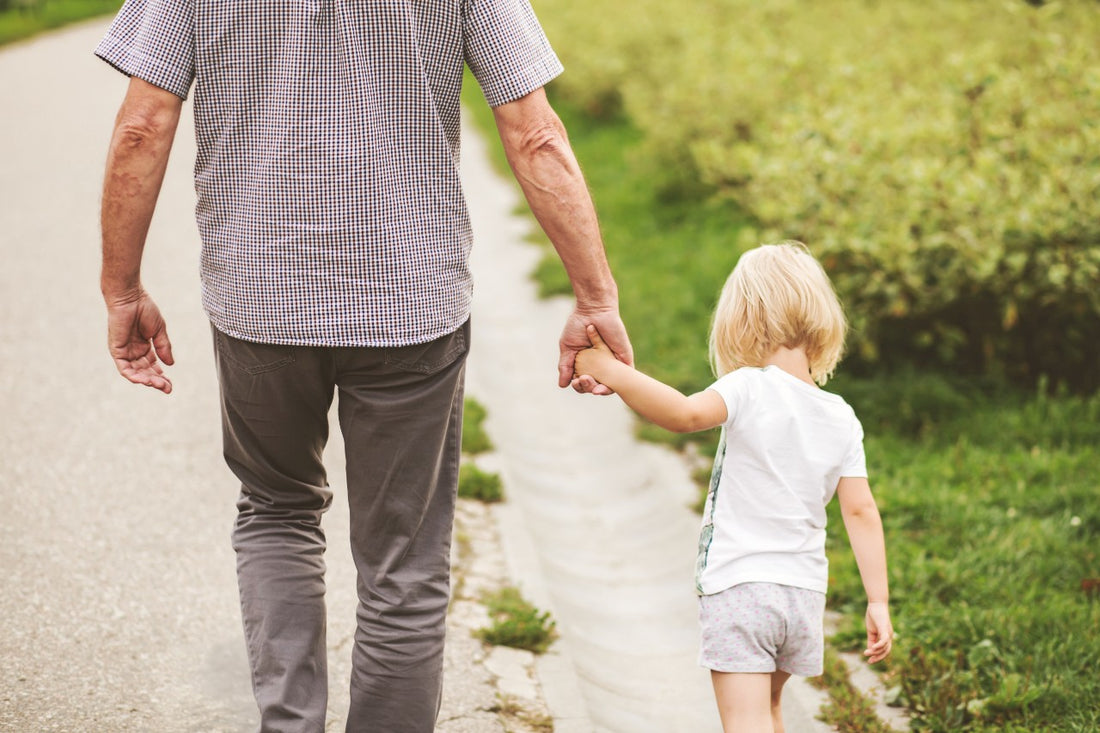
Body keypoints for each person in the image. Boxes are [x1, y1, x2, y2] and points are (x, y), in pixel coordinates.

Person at [95, 0, 633, 729]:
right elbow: (535, 133)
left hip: (262, 299)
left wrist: (122, 287)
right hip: (410, 303)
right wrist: (595, 294)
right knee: (403, 564)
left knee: (277, 511)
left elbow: (141, 125)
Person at [573, 242, 892, 733]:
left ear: (743, 321)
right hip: (803, 596)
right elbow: (861, 512)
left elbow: (683, 414)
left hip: (742, 589)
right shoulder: (842, 417)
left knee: (746, 722)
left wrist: (612, 371)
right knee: (769, 712)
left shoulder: (749, 386)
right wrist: (878, 602)